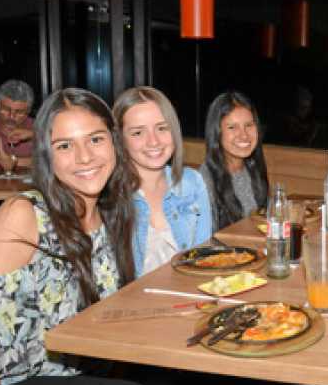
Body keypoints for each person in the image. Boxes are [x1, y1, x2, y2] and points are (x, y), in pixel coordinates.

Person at [0, 88, 176, 385]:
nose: (84, 157)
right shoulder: (24, 217)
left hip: (56, 378)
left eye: (95, 139)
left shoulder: (111, 212)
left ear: (114, 142)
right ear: (47, 155)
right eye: (65, 146)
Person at [113, 86, 212, 277]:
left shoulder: (192, 182)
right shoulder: (108, 196)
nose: (153, 141)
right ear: (119, 140)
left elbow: (202, 259)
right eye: (138, 133)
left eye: (162, 128)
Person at [199, 91, 269, 232]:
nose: (243, 135)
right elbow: (204, 244)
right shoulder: (203, 183)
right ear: (217, 133)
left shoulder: (252, 168)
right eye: (232, 127)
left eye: (249, 125)